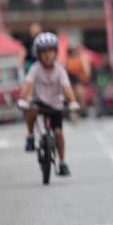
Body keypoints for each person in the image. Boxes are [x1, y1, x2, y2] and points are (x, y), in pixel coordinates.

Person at [18, 32, 79, 176]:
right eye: (43, 51)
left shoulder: (60, 70)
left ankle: (62, 163)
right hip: (38, 102)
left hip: (55, 105)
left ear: (56, 52)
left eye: (50, 51)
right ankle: (30, 136)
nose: (47, 55)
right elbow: (27, 85)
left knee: (58, 132)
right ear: (37, 54)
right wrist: (22, 99)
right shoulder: (35, 68)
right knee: (31, 109)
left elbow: (67, 88)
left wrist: (73, 102)